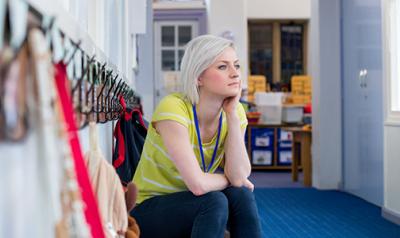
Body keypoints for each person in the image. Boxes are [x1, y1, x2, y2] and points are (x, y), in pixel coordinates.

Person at [131, 35, 262, 238]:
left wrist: (233, 118)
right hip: (148, 210)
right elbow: (198, 185)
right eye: (222, 67)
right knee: (214, 201)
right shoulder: (173, 108)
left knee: (241, 195)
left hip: (192, 202)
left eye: (236, 65)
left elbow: (240, 177)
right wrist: (229, 179)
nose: (235, 74)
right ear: (198, 76)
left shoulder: (234, 113)